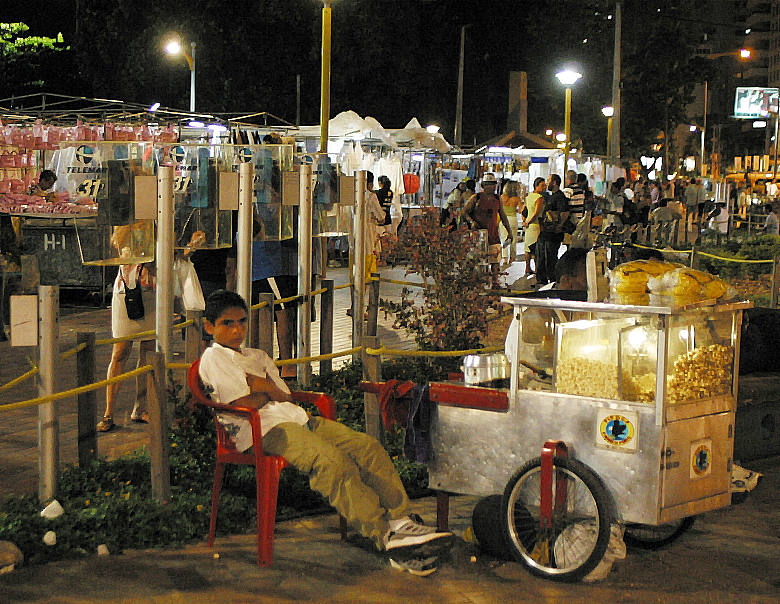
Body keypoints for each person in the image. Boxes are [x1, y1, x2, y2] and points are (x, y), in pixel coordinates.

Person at [199, 289, 452, 575]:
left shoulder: (257, 355)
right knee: (333, 464)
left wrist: (265, 389)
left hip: (297, 420)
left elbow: (285, 394)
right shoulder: (213, 359)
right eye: (227, 323)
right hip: (263, 431)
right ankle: (384, 534)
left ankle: (401, 521)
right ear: (210, 327)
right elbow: (240, 404)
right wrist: (266, 392)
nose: (237, 330)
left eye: (242, 321)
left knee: (367, 447)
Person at [459, 172, 513, 277]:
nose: (491, 187)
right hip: (478, 236)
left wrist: (509, 232)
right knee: (479, 264)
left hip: (493, 235)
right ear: (483, 186)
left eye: (493, 184)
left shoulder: (497, 199)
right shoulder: (476, 197)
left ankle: (495, 283)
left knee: (495, 262)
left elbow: (503, 216)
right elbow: (464, 212)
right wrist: (471, 221)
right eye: (488, 184)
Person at [535, 173, 569, 286]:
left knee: (550, 258)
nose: (546, 182)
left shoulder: (560, 197)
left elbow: (564, 213)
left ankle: (552, 280)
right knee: (542, 256)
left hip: (553, 234)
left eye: (548, 180)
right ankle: (542, 280)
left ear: (554, 183)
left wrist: (559, 226)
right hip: (545, 233)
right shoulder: (550, 196)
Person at [521, 177, 546, 277]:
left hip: (528, 226)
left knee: (528, 248)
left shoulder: (529, 196)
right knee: (536, 248)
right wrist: (529, 221)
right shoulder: (539, 197)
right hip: (535, 225)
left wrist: (525, 221)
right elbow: (536, 213)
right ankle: (536, 269)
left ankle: (527, 267)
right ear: (536, 186)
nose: (544, 187)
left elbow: (524, 210)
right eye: (542, 185)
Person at [499, 180, 523, 265]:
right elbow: (521, 210)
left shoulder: (502, 197)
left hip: (504, 219)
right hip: (513, 219)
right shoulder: (517, 199)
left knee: (504, 238)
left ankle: (505, 258)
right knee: (513, 239)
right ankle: (512, 258)